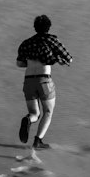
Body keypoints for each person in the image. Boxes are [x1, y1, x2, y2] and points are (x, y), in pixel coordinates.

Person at [16, 14, 73, 149]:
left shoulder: (26, 43)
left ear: (35, 27)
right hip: (44, 81)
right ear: (49, 27)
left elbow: (19, 63)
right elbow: (69, 59)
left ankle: (28, 120)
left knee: (34, 113)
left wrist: (31, 63)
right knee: (48, 112)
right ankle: (37, 141)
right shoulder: (52, 41)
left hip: (28, 81)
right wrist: (57, 59)